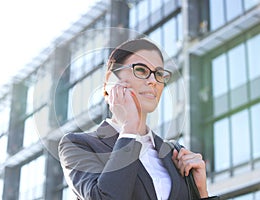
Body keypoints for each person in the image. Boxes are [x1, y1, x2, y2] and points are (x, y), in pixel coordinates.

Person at [58, 38, 219, 200]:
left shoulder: (174, 154)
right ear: (111, 79)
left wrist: (201, 192)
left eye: (159, 74)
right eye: (141, 70)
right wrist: (130, 128)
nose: (153, 81)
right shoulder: (78, 146)